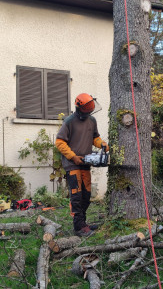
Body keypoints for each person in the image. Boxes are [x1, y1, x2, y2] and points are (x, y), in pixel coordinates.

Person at [55, 93, 109, 237]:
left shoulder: (92, 120)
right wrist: (73, 156)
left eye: (90, 110)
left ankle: (83, 223)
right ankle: (78, 227)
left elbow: (95, 138)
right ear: (79, 107)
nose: (88, 112)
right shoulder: (69, 121)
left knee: (86, 195)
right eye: (86, 110)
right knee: (76, 196)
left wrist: (102, 144)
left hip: (86, 163)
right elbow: (60, 142)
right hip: (72, 165)